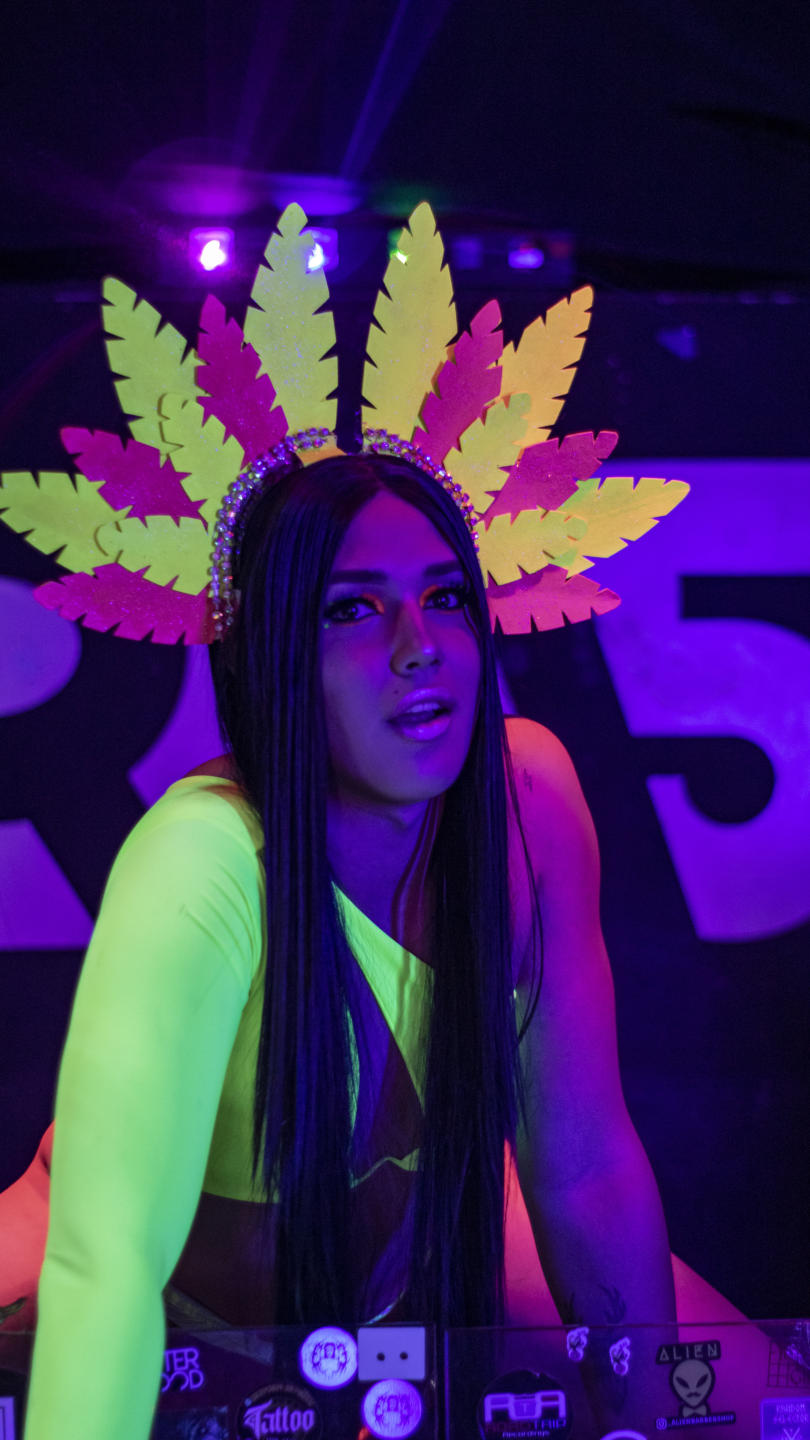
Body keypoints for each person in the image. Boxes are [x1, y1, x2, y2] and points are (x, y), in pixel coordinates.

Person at [17, 446, 678, 1440]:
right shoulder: (201, 857)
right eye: (353, 609)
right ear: (272, 652)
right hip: (120, 1287)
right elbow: (104, 1257)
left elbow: (585, 1173)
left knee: (734, 1395)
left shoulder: (530, 799)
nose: (421, 646)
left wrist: (651, 1427)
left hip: (417, 1275)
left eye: (446, 598)